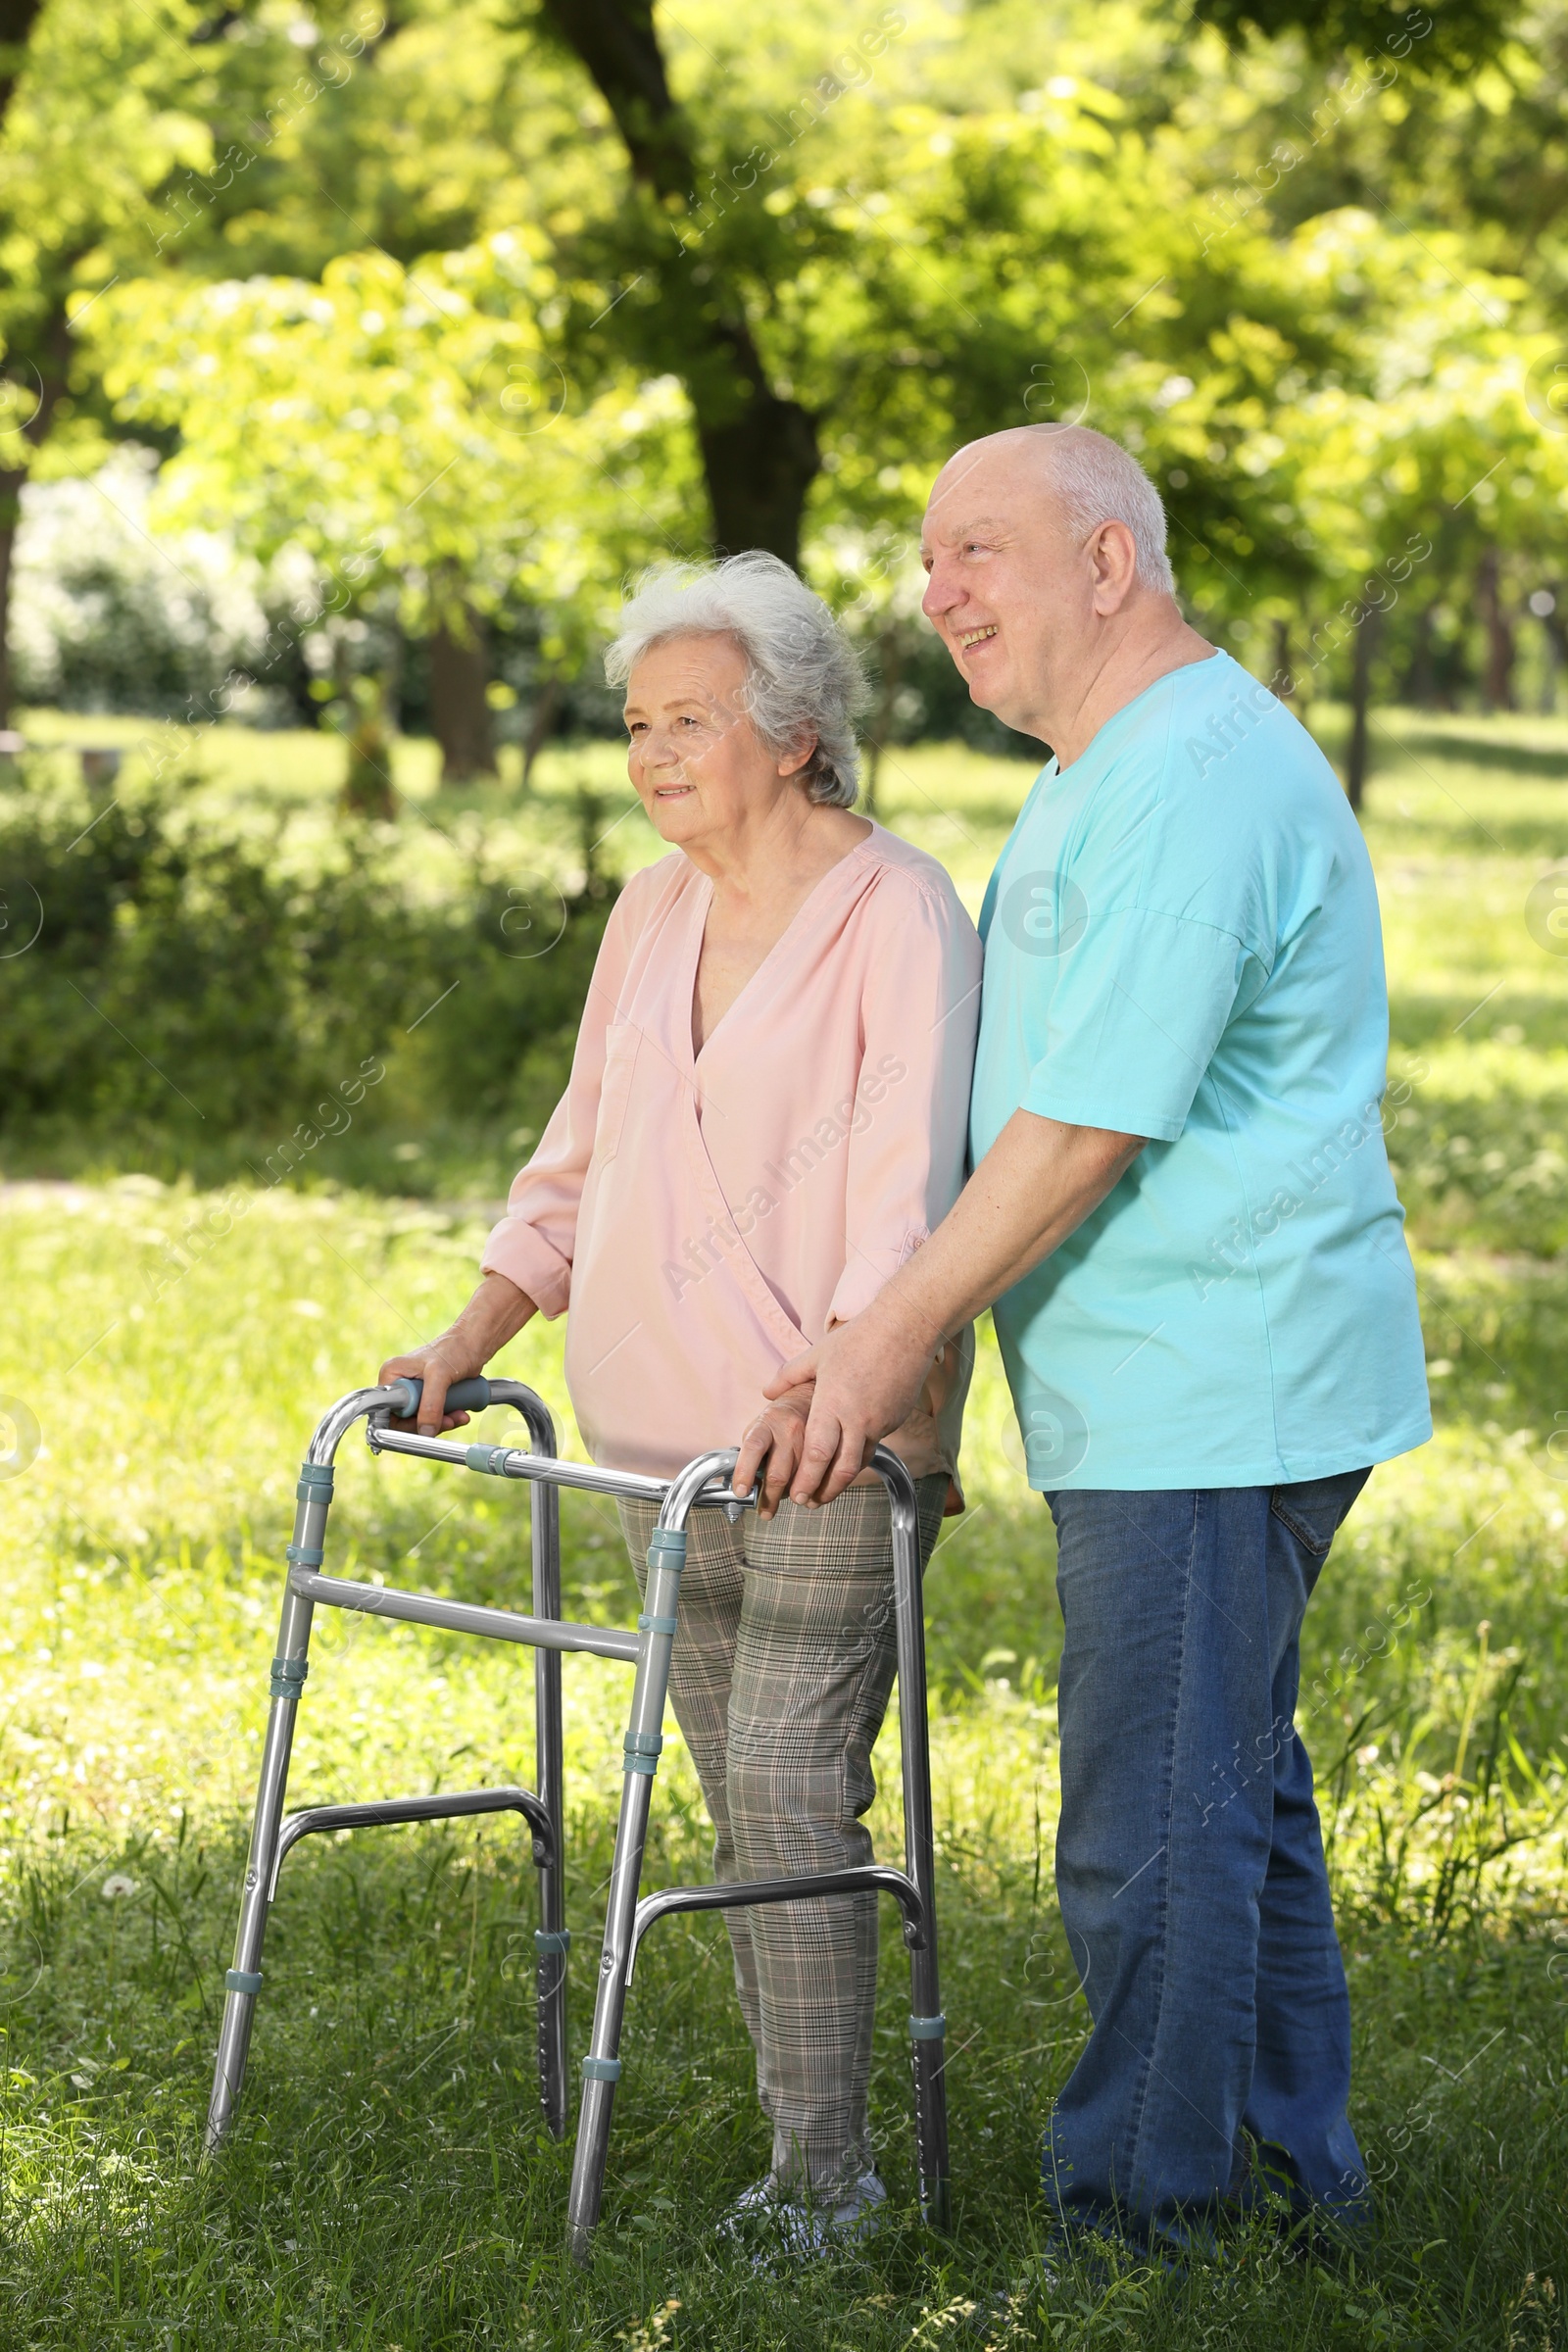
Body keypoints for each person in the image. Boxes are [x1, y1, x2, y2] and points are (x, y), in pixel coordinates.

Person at [736, 425, 1431, 2264]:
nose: (935, 592)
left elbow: (1083, 1129)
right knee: (1237, 1804)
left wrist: (885, 1346)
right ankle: (1300, 2190)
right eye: (927, 558)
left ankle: (1140, 2226)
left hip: (1225, 1392)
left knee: (1155, 1835)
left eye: (979, 551)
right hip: (1169, 1390)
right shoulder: (1100, 770)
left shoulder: (1193, 774)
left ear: (1110, 563)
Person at [378, 551, 981, 2251]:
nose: (652, 753)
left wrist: (849, 1400)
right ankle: (808, 2154)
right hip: (654, 1467)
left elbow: (903, 1205)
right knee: (737, 1800)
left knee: (789, 1792)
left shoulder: (899, 911)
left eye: (690, 720)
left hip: (819, 1456)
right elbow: (574, 1162)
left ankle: (830, 2188)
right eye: (637, 724)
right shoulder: (649, 912)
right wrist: (468, 1333)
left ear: (793, 733)